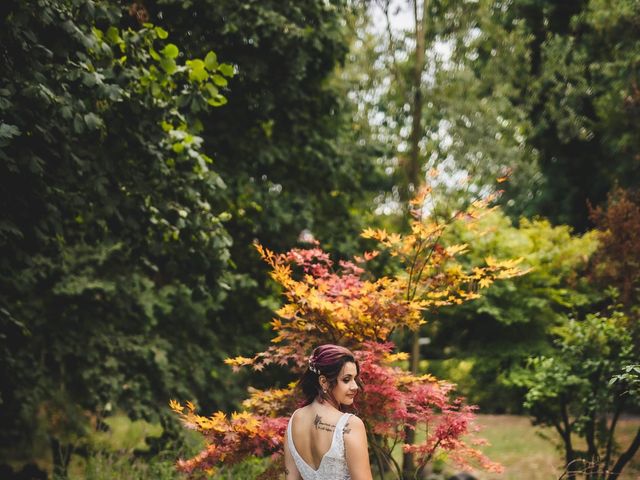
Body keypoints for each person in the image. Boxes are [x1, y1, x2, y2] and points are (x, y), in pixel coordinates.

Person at [284, 344, 373, 480]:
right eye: (346, 379)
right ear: (324, 382)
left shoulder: (294, 421)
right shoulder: (350, 425)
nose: (355, 386)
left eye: (355, 379)